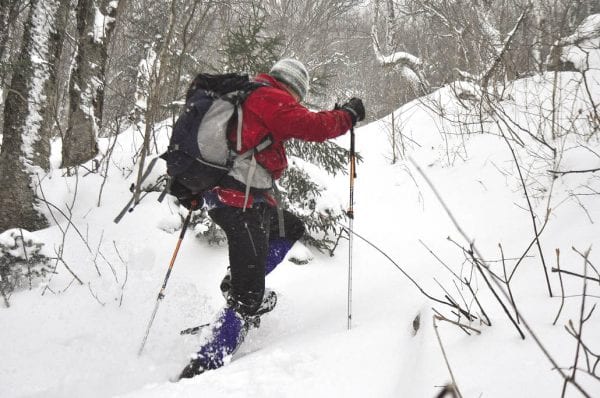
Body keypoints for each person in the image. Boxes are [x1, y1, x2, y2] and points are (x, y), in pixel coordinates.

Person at [179, 58, 365, 379]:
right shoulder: (271, 98)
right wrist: (347, 115)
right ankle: (199, 369)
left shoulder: (254, 93)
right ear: (295, 88)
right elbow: (313, 127)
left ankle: (237, 283)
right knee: (248, 298)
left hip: (238, 197)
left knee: (290, 227)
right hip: (240, 201)